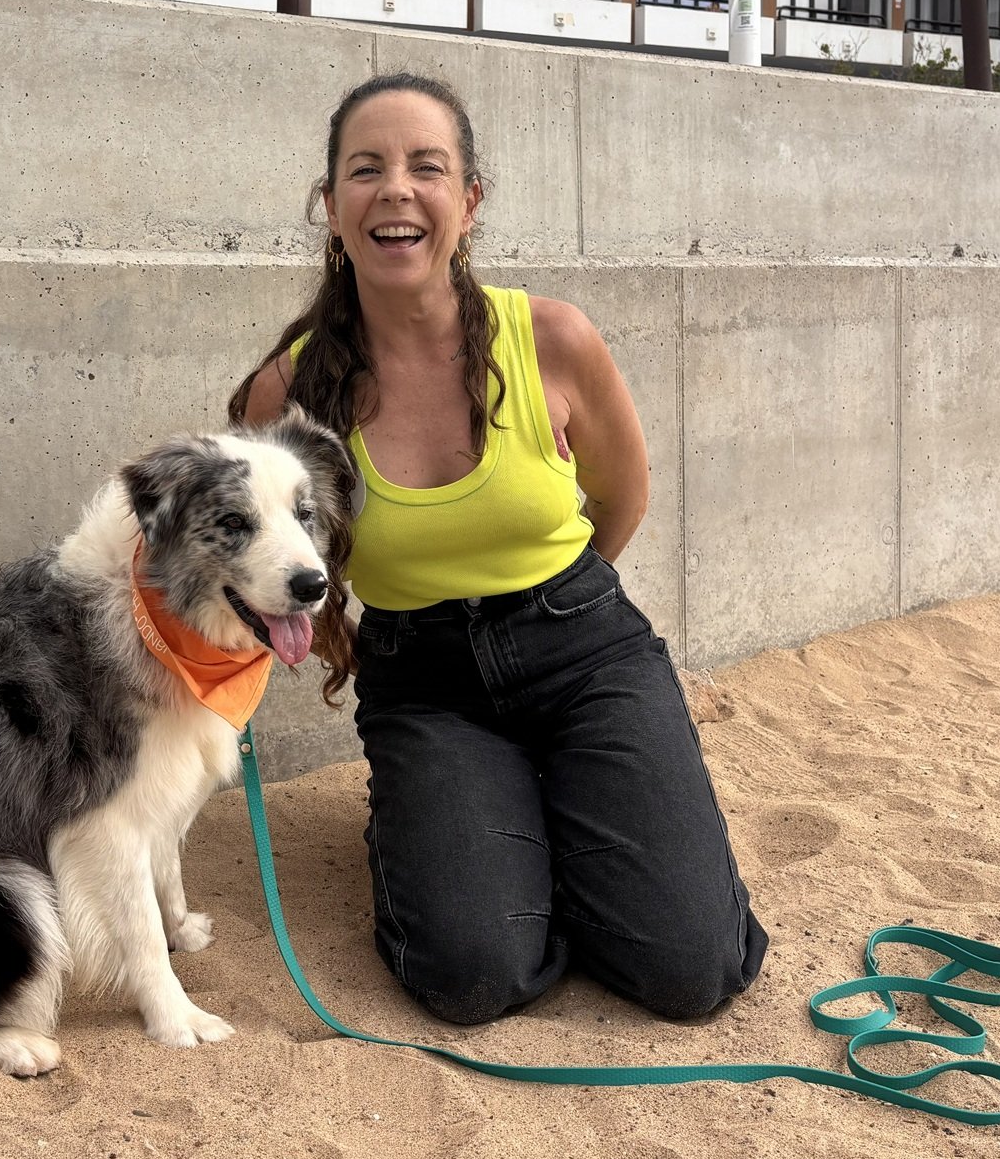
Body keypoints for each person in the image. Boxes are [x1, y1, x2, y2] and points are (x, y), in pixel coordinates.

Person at [230, 73, 768, 1027]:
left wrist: (553, 609)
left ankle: (547, 812)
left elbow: (623, 497)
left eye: (426, 167)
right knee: (472, 976)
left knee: (692, 970)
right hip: (424, 679)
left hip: (584, 649)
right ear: (332, 208)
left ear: (469, 201)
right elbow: (255, 555)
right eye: (367, 169)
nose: (396, 188)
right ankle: (480, 825)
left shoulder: (553, 338)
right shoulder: (288, 392)